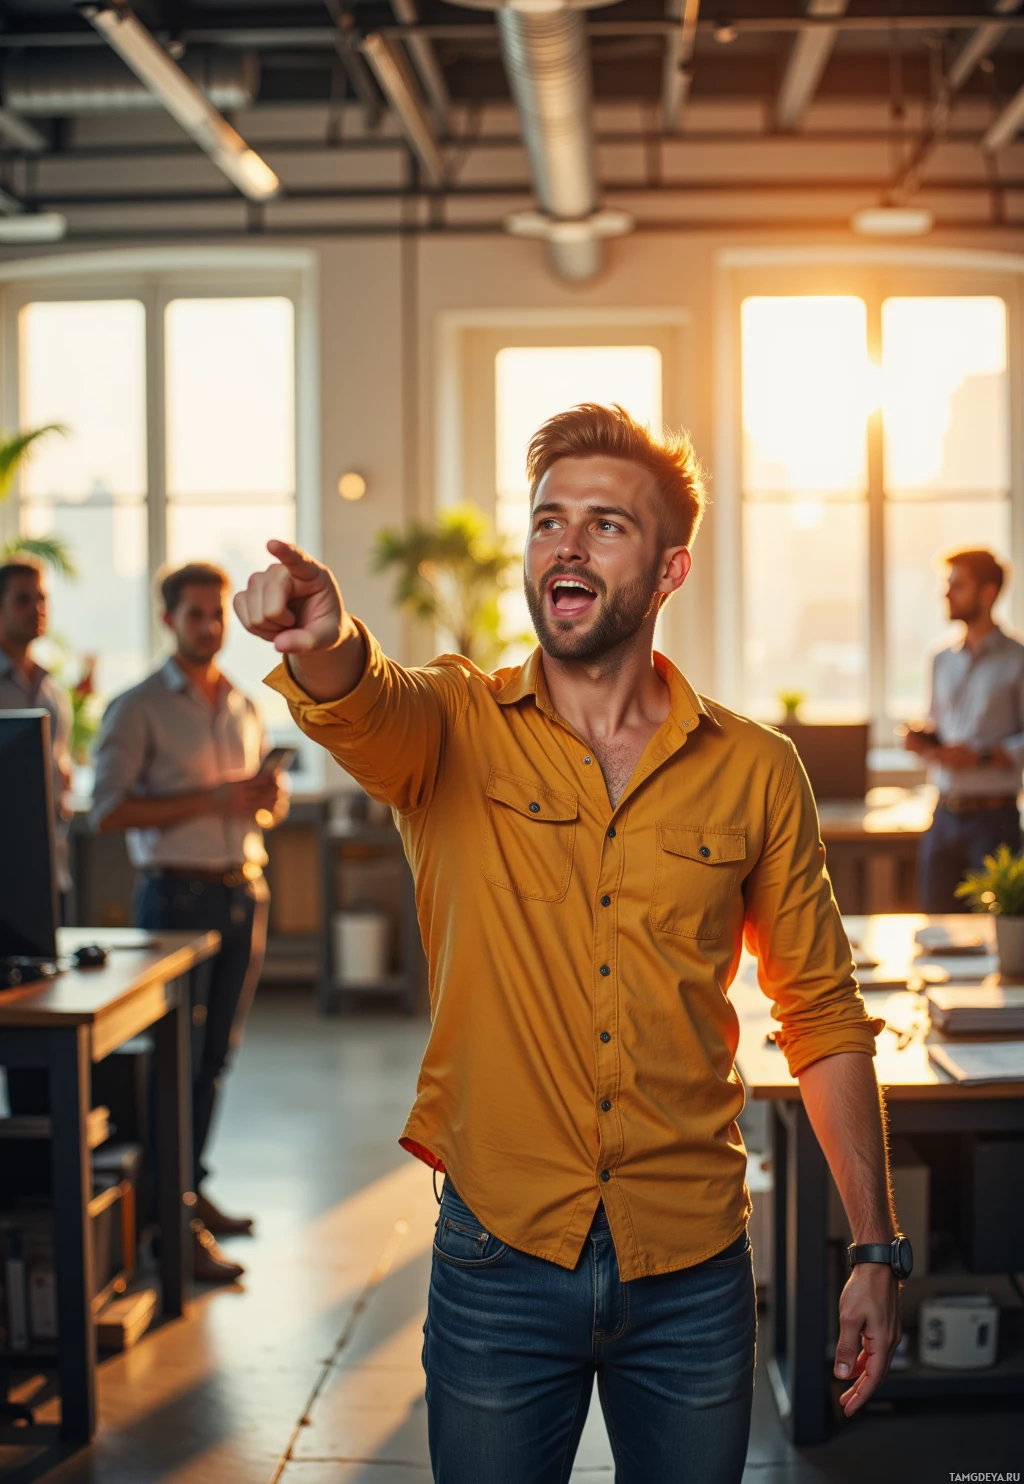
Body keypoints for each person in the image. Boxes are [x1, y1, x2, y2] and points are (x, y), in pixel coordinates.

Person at [235, 405, 903, 1484]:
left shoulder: (756, 769)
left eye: (605, 525)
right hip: (498, 1260)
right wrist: (325, 641)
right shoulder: (450, 725)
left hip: (691, 1269)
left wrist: (874, 1246)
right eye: (548, 522)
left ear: (670, 567)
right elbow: (361, 698)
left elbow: (819, 1014)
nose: (567, 546)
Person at [91, 562, 287, 1283]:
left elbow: (260, 806)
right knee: (176, 1062)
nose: (210, 626)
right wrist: (214, 796)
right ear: (168, 619)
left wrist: (266, 799)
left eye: (217, 614)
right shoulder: (137, 707)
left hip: (244, 892)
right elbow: (108, 810)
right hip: (176, 901)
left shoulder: (240, 702)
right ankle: (167, 1223)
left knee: (214, 1060)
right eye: (195, 614)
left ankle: (190, 1191)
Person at [906, 547, 1024, 913]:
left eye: (958, 585)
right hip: (943, 816)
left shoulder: (1018, 659)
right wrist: (925, 742)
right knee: (934, 927)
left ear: (988, 593)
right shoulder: (940, 660)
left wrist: (983, 755)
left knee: (996, 936)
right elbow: (938, 724)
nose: (947, 593)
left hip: (994, 821)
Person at [0, 559, 73, 905]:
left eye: (41, 599)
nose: (37, 609)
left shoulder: (51, 690)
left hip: (50, 865)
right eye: (23, 600)